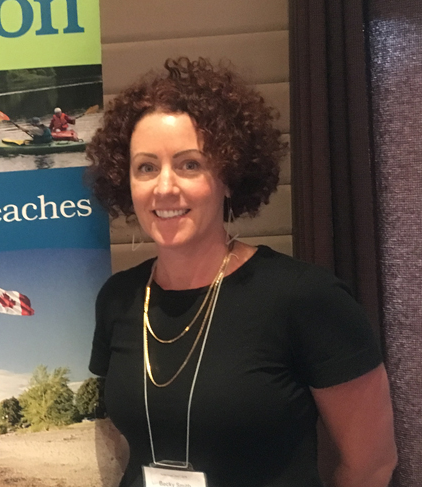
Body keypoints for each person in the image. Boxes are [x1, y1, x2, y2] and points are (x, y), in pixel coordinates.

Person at [85, 57, 396, 487]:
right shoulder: (118, 298)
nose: (165, 186)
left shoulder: (304, 298)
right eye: (146, 167)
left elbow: (372, 463)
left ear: (229, 176)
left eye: (189, 164)